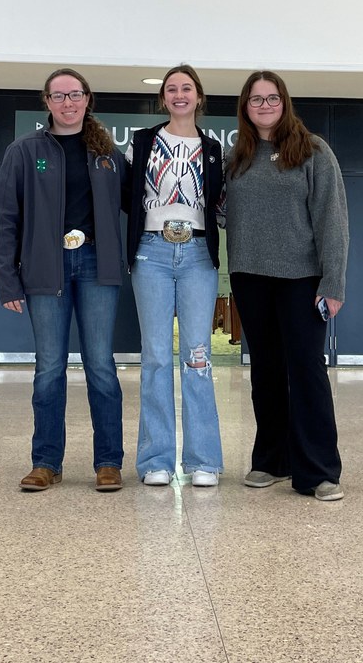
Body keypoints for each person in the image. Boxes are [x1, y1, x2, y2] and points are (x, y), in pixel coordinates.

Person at [0, 68, 127, 493]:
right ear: (46, 102)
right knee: (49, 368)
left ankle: (108, 462)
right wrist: (7, 280)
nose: (68, 103)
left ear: (88, 99)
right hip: (45, 269)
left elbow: (135, 207)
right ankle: (46, 461)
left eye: (75, 95)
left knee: (101, 367)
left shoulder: (108, 153)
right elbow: (4, 219)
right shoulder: (24, 150)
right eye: (58, 96)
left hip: (96, 266)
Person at [224, 71, 349, 501]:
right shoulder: (237, 156)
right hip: (249, 276)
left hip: (302, 279)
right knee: (266, 371)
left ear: (284, 102)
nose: (263, 105)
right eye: (255, 99)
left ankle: (317, 471)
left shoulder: (313, 150)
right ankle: (272, 460)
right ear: (245, 106)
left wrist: (333, 283)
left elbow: (333, 221)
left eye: (271, 98)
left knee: (306, 369)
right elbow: (224, 212)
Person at [125, 64, 224, 487]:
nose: (179, 95)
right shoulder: (143, 142)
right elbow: (128, 201)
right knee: (156, 358)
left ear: (198, 96)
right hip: (152, 253)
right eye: (172, 89)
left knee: (198, 357)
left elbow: (220, 205)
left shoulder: (215, 147)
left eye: (187, 88)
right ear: (163, 98)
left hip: (199, 255)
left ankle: (204, 460)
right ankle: (156, 461)